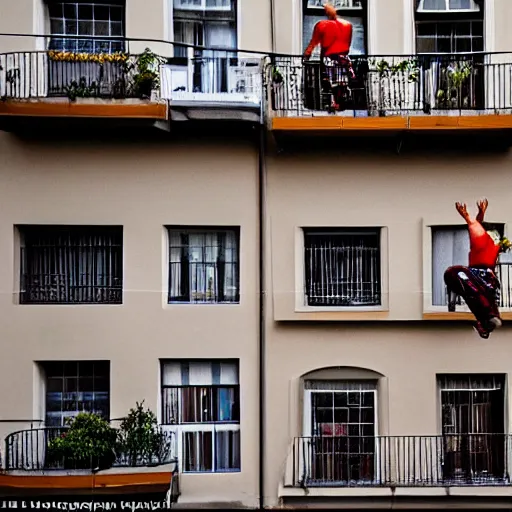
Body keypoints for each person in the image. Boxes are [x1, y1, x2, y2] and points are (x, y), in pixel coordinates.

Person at [444, 199, 511, 339]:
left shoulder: (486, 243)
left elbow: (477, 230)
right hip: (485, 278)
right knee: (476, 298)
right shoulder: (492, 245)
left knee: (453, 273)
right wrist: (479, 215)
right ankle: (489, 317)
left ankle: (489, 317)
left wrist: (467, 217)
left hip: (480, 276)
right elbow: (478, 229)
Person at [303, 3, 355, 110]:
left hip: (330, 58)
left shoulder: (322, 25)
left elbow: (314, 42)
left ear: (326, 13)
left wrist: (307, 54)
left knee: (333, 83)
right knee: (341, 82)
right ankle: (339, 102)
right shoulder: (347, 25)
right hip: (343, 58)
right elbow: (348, 43)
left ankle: (335, 102)